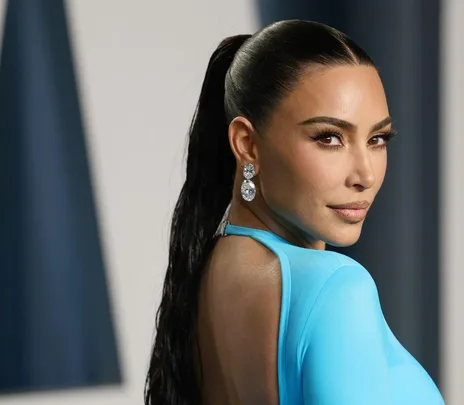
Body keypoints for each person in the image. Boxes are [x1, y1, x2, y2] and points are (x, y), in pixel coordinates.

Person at [145, 19, 444, 405]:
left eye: (377, 139)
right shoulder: (336, 288)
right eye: (329, 138)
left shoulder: (205, 269)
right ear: (247, 144)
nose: (365, 174)